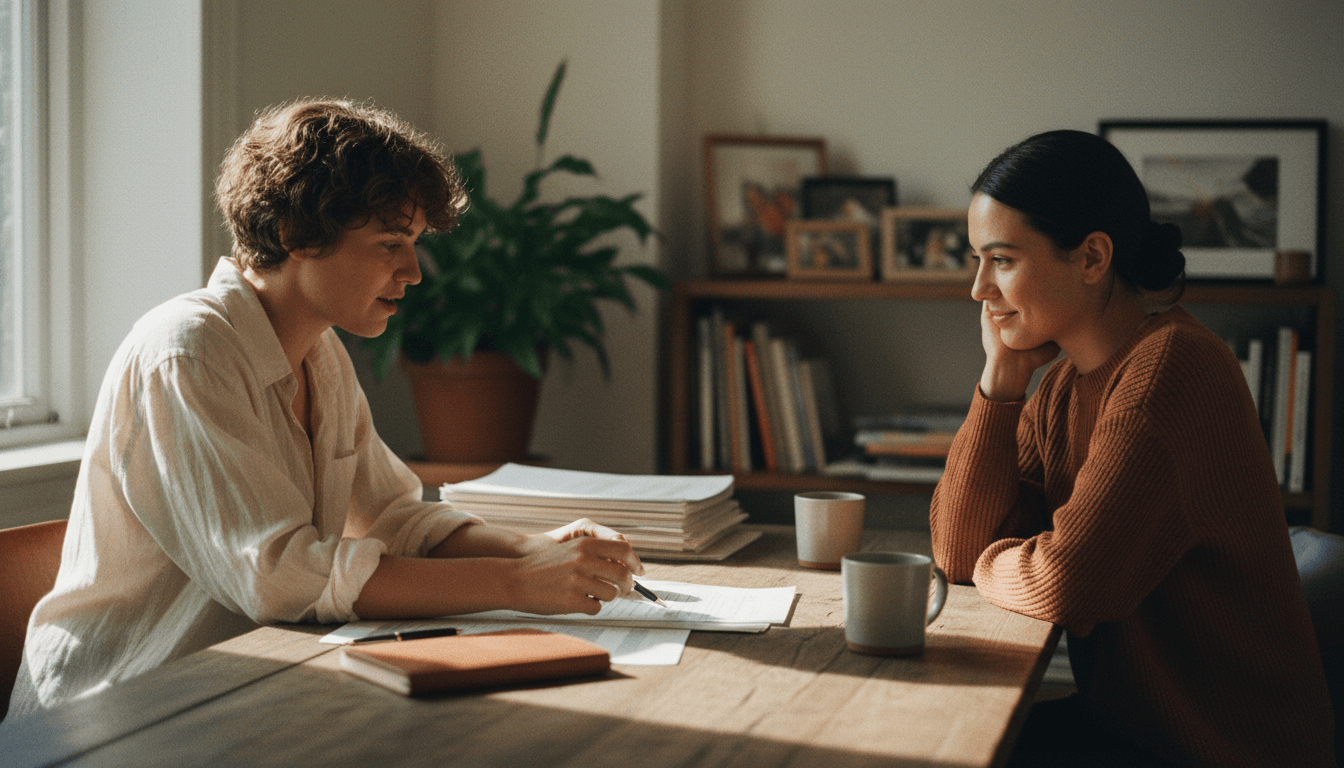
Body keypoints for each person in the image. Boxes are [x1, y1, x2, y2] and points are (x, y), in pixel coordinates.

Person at [8, 99, 644, 716]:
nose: (415, 273)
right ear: (297, 236)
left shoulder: (320, 354)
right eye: (391, 244)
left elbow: (394, 519)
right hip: (118, 714)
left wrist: (532, 550)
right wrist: (517, 584)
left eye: (415, 244)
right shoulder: (188, 353)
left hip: (244, 693)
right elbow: (277, 574)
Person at [929, 129, 1335, 766]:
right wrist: (1000, 382)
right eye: (977, 260)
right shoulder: (1063, 384)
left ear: (1092, 258)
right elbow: (955, 550)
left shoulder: (1172, 368)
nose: (978, 289)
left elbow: (1066, 583)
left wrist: (996, 559)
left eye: (1002, 260)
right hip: (1131, 732)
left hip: (1224, 751)